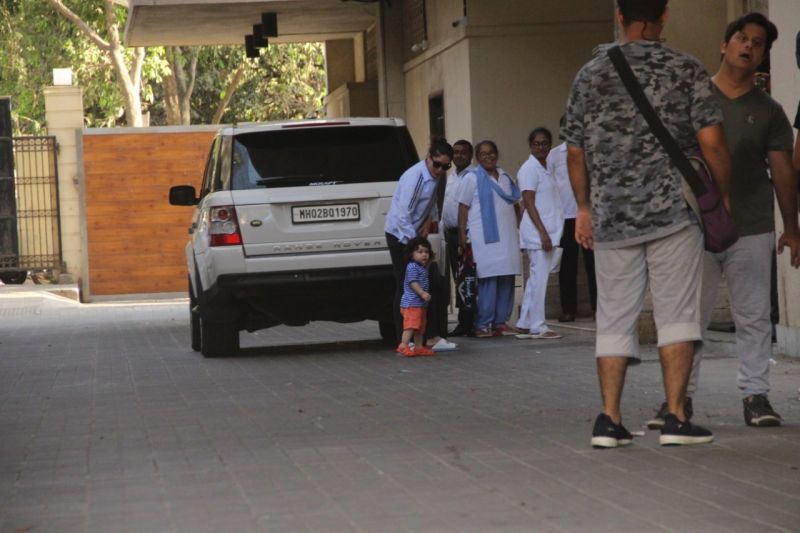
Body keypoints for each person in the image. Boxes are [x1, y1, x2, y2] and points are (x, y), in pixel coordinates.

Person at [564, 0, 733, 448]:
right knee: (677, 314)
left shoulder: (589, 73)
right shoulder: (686, 68)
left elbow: (575, 151)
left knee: (614, 316)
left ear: (620, 15)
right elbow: (712, 142)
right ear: (664, 16)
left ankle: (608, 420)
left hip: (611, 217)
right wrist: (721, 194)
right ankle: (676, 418)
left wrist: (584, 207)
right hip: (673, 214)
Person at [647, 13, 800, 429]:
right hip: (693, 227)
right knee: (688, 316)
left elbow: (784, 170)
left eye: (758, 44)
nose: (748, 47)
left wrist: (791, 227)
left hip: (751, 226)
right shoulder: (694, 100)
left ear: (764, 56)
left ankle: (756, 396)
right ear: (724, 45)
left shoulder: (769, 111)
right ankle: (680, 400)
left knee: (752, 315)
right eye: (741, 38)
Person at [385, 140, 458, 352]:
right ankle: (406, 339)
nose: (440, 170)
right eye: (437, 164)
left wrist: (429, 219)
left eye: (446, 166)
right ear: (428, 158)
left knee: (431, 282)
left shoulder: (434, 176)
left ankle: (428, 335)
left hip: (414, 234)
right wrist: (416, 245)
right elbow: (402, 214)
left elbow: (430, 201)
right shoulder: (415, 177)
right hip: (402, 236)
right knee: (408, 284)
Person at [457, 140, 522, 338]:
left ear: (496, 154)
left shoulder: (506, 176)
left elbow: (516, 204)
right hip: (483, 238)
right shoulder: (471, 178)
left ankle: (501, 322)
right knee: (488, 278)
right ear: (478, 157)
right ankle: (483, 323)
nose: (488, 156)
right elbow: (463, 208)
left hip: (508, 236)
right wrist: (462, 236)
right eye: (483, 154)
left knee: (506, 277)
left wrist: (520, 227)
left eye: (491, 152)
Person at [515, 127, 564, 340]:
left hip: (549, 231)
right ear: (530, 145)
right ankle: (538, 325)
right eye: (537, 143)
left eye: (545, 143)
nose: (541, 147)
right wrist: (543, 233)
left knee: (536, 279)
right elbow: (528, 202)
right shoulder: (529, 169)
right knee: (540, 279)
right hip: (538, 233)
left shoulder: (546, 167)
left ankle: (525, 323)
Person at [550, 116, 597, 323]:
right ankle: (568, 309)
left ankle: (598, 308)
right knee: (567, 265)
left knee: (593, 264)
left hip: (588, 214)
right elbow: (551, 186)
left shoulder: (591, 149)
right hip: (565, 216)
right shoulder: (554, 155)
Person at [441, 139, 476, 337]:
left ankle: (469, 321)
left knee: (468, 278)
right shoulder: (452, 176)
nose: (459, 156)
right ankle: (464, 320)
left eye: (463, 152)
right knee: (458, 278)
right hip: (450, 234)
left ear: (470, 155)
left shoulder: (473, 176)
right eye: (455, 152)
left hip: (466, 235)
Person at [397, 237, 435, 357]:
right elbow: (413, 282)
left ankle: (418, 347)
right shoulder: (412, 267)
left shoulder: (422, 267)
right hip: (411, 304)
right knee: (411, 326)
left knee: (420, 327)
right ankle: (403, 346)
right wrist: (422, 293)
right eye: (420, 252)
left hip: (420, 304)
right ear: (411, 254)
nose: (424, 255)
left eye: (426, 252)